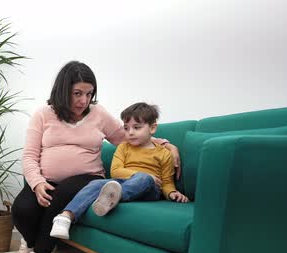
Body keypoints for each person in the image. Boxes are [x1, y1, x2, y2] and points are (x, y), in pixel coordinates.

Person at [11, 61, 180, 253]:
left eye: (89, 93)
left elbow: (128, 137)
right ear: (63, 91)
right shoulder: (43, 114)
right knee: (22, 209)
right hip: (47, 179)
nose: (84, 100)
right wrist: (38, 183)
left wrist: (166, 144)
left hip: (87, 177)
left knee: (61, 197)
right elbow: (30, 155)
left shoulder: (98, 114)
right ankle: (29, 243)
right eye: (77, 93)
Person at [50, 102, 189, 240]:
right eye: (126, 128)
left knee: (143, 178)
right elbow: (116, 171)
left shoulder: (164, 154)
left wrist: (172, 193)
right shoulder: (123, 148)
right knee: (96, 183)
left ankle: (111, 197)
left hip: (150, 189)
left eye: (136, 127)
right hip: (123, 183)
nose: (130, 133)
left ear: (152, 128)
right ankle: (65, 217)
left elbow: (166, 182)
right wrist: (137, 175)